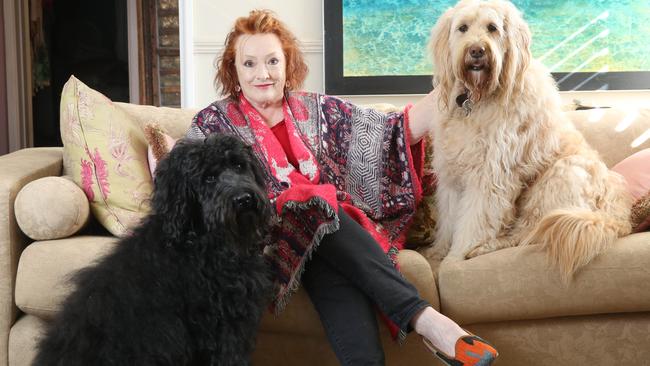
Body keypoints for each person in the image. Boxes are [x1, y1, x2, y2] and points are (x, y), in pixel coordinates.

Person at [187, 9, 498, 366]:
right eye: (250, 63)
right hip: (265, 241)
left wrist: (457, 82)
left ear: (288, 64)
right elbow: (189, 183)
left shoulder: (317, 108)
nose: (263, 73)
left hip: (326, 241)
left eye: (273, 60)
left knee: (322, 230)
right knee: (310, 204)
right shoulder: (213, 123)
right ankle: (426, 321)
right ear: (234, 70)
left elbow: (392, 133)